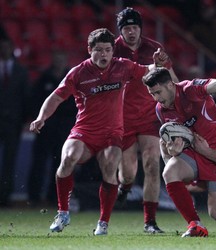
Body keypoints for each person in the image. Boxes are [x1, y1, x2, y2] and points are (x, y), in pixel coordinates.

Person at [29, 28, 172, 235]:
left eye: (107, 50)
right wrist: (41, 117)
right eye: (98, 50)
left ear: (113, 51)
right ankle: (63, 212)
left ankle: (103, 222)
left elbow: (148, 70)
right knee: (68, 158)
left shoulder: (123, 67)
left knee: (110, 166)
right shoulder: (78, 72)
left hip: (112, 133)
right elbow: (56, 97)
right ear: (89, 50)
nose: (103, 55)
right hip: (85, 131)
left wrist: (158, 63)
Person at [142, 66, 216, 237]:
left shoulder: (190, 90)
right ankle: (195, 225)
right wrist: (173, 153)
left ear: (170, 85)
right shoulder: (161, 109)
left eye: (158, 92)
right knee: (170, 171)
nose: (156, 98)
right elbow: (167, 147)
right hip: (193, 152)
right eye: (152, 94)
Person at [113, 7, 179, 234]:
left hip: (150, 116)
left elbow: (172, 80)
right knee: (129, 172)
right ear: (120, 30)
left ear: (140, 28)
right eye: (126, 28)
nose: (131, 32)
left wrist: (178, 101)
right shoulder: (111, 49)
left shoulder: (154, 49)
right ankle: (125, 185)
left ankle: (149, 222)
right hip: (122, 118)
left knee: (152, 164)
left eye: (134, 27)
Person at [27, 50, 76, 206]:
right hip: (45, 128)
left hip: (65, 129)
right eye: (57, 58)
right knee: (39, 162)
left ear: (66, 60)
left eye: (62, 58)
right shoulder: (43, 79)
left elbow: (76, 105)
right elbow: (35, 101)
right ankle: (33, 196)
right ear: (53, 60)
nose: (59, 61)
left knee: (61, 163)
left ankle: (55, 197)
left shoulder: (72, 78)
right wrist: (39, 119)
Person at [0, 36, 30, 207]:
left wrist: (27, 119)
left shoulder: (21, 71)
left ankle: (5, 196)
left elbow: (26, 97)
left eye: (6, 47)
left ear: (11, 48)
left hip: (13, 122)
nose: (4, 50)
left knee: (9, 161)